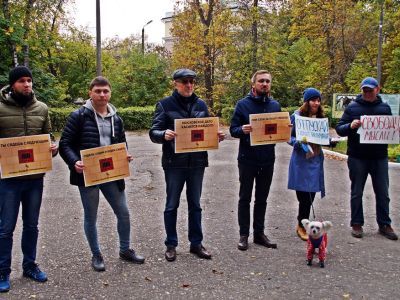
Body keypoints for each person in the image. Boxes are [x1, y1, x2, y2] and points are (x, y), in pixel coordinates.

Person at [59, 76, 145, 272]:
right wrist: (74, 162)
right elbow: (65, 144)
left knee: (123, 213)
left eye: (105, 91)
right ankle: (96, 254)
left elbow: (122, 143)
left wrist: (126, 156)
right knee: (91, 216)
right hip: (88, 174)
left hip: (112, 174)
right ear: (90, 92)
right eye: (98, 91)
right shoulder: (78, 116)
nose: (102, 94)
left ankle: (125, 250)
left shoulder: (117, 118)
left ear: (110, 93)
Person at [149, 68, 225, 262]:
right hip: (174, 163)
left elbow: (208, 129)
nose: (189, 85)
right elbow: (153, 131)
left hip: (197, 162)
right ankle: (171, 244)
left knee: (195, 205)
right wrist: (162, 135)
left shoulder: (200, 104)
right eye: (185, 82)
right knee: (171, 205)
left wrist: (217, 136)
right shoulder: (165, 105)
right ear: (175, 83)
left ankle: (196, 243)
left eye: (192, 81)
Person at [0, 66, 58, 293]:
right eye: (22, 81)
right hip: (9, 180)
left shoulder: (42, 108)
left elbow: (49, 136)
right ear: (12, 84)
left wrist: (53, 148)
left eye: (29, 81)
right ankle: (3, 270)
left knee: (32, 225)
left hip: (35, 177)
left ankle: (30, 265)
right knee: (5, 228)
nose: (27, 85)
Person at [336, 77, 398, 240]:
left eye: (370, 90)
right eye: (365, 90)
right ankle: (357, 223)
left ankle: (384, 224)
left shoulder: (385, 108)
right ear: (361, 90)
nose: (367, 93)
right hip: (357, 157)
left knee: (383, 192)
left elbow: (390, 130)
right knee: (357, 192)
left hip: (379, 157)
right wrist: (350, 126)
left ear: (377, 89)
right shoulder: (352, 108)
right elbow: (339, 129)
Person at [230, 70, 281, 251]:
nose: (264, 84)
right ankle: (244, 234)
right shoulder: (243, 105)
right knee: (245, 197)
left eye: (267, 81)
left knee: (262, 198)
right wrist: (241, 130)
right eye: (261, 81)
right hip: (247, 159)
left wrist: (285, 129)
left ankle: (259, 233)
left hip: (267, 158)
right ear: (254, 84)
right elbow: (232, 129)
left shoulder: (275, 106)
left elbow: (279, 131)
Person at [287, 88, 329, 241]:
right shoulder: (296, 117)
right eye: (313, 100)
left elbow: (323, 136)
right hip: (301, 161)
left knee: (311, 194)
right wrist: (298, 143)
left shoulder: (320, 117)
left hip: (316, 160)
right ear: (306, 101)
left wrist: (329, 141)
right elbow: (288, 137)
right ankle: (302, 224)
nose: (316, 103)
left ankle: (303, 221)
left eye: (318, 100)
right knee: (303, 195)